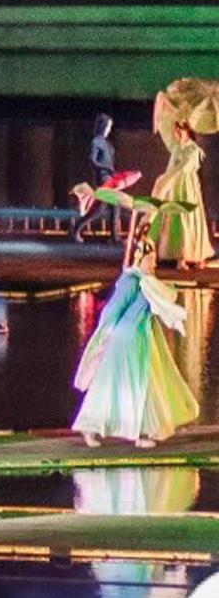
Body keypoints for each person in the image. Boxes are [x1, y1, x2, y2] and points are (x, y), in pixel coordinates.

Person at [72, 221, 199, 449]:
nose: (154, 264)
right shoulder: (131, 280)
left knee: (141, 384)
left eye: (154, 260)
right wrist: (105, 333)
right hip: (126, 339)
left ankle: (143, 428)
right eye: (150, 260)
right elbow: (114, 309)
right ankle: (103, 427)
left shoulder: (148, 282)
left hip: (141, 336)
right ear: (140, 258)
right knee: (128, 385)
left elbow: (162, 306)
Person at [153, 120, 214, 268]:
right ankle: (179, 256)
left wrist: (167, 179)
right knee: (176, 220)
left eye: (179, 130)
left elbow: (184, 168)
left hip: (187, 188)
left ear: (187, 131)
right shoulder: (177, 149)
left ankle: (195, 256)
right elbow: (171, 168)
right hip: (175, 188)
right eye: (176, 130)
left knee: (189, 220)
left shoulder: (193, 149)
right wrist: (165, 182)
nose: (177, 133)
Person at [73, 113, 121, 241]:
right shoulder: (97, 141)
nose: (109, 129)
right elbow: (92, 160)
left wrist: (113, 172)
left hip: (110, 178)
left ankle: (114, 236)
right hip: (103, 178)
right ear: (102, 126)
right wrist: (106, 168)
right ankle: (77, 229)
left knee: (108, 207)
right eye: (108, 126)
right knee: (107, 207)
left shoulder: (106, 143)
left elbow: (109, 161)